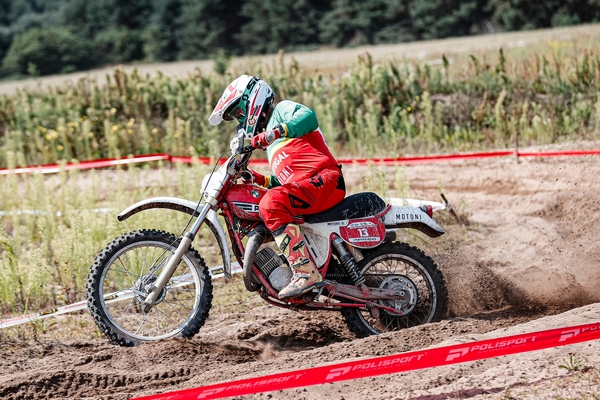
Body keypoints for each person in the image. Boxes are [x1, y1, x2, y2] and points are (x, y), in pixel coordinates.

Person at [209, 74, 346, 300]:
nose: (240, 121)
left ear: (252, 100)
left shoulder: (281, 111)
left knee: (271, 203)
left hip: (326, 179)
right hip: (310, 187)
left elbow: (309, 117)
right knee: (270, 197)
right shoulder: (272, 147)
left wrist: (275, 132)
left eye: (239, 113)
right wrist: (257, 178)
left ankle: (304, 272)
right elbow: (288, 183)